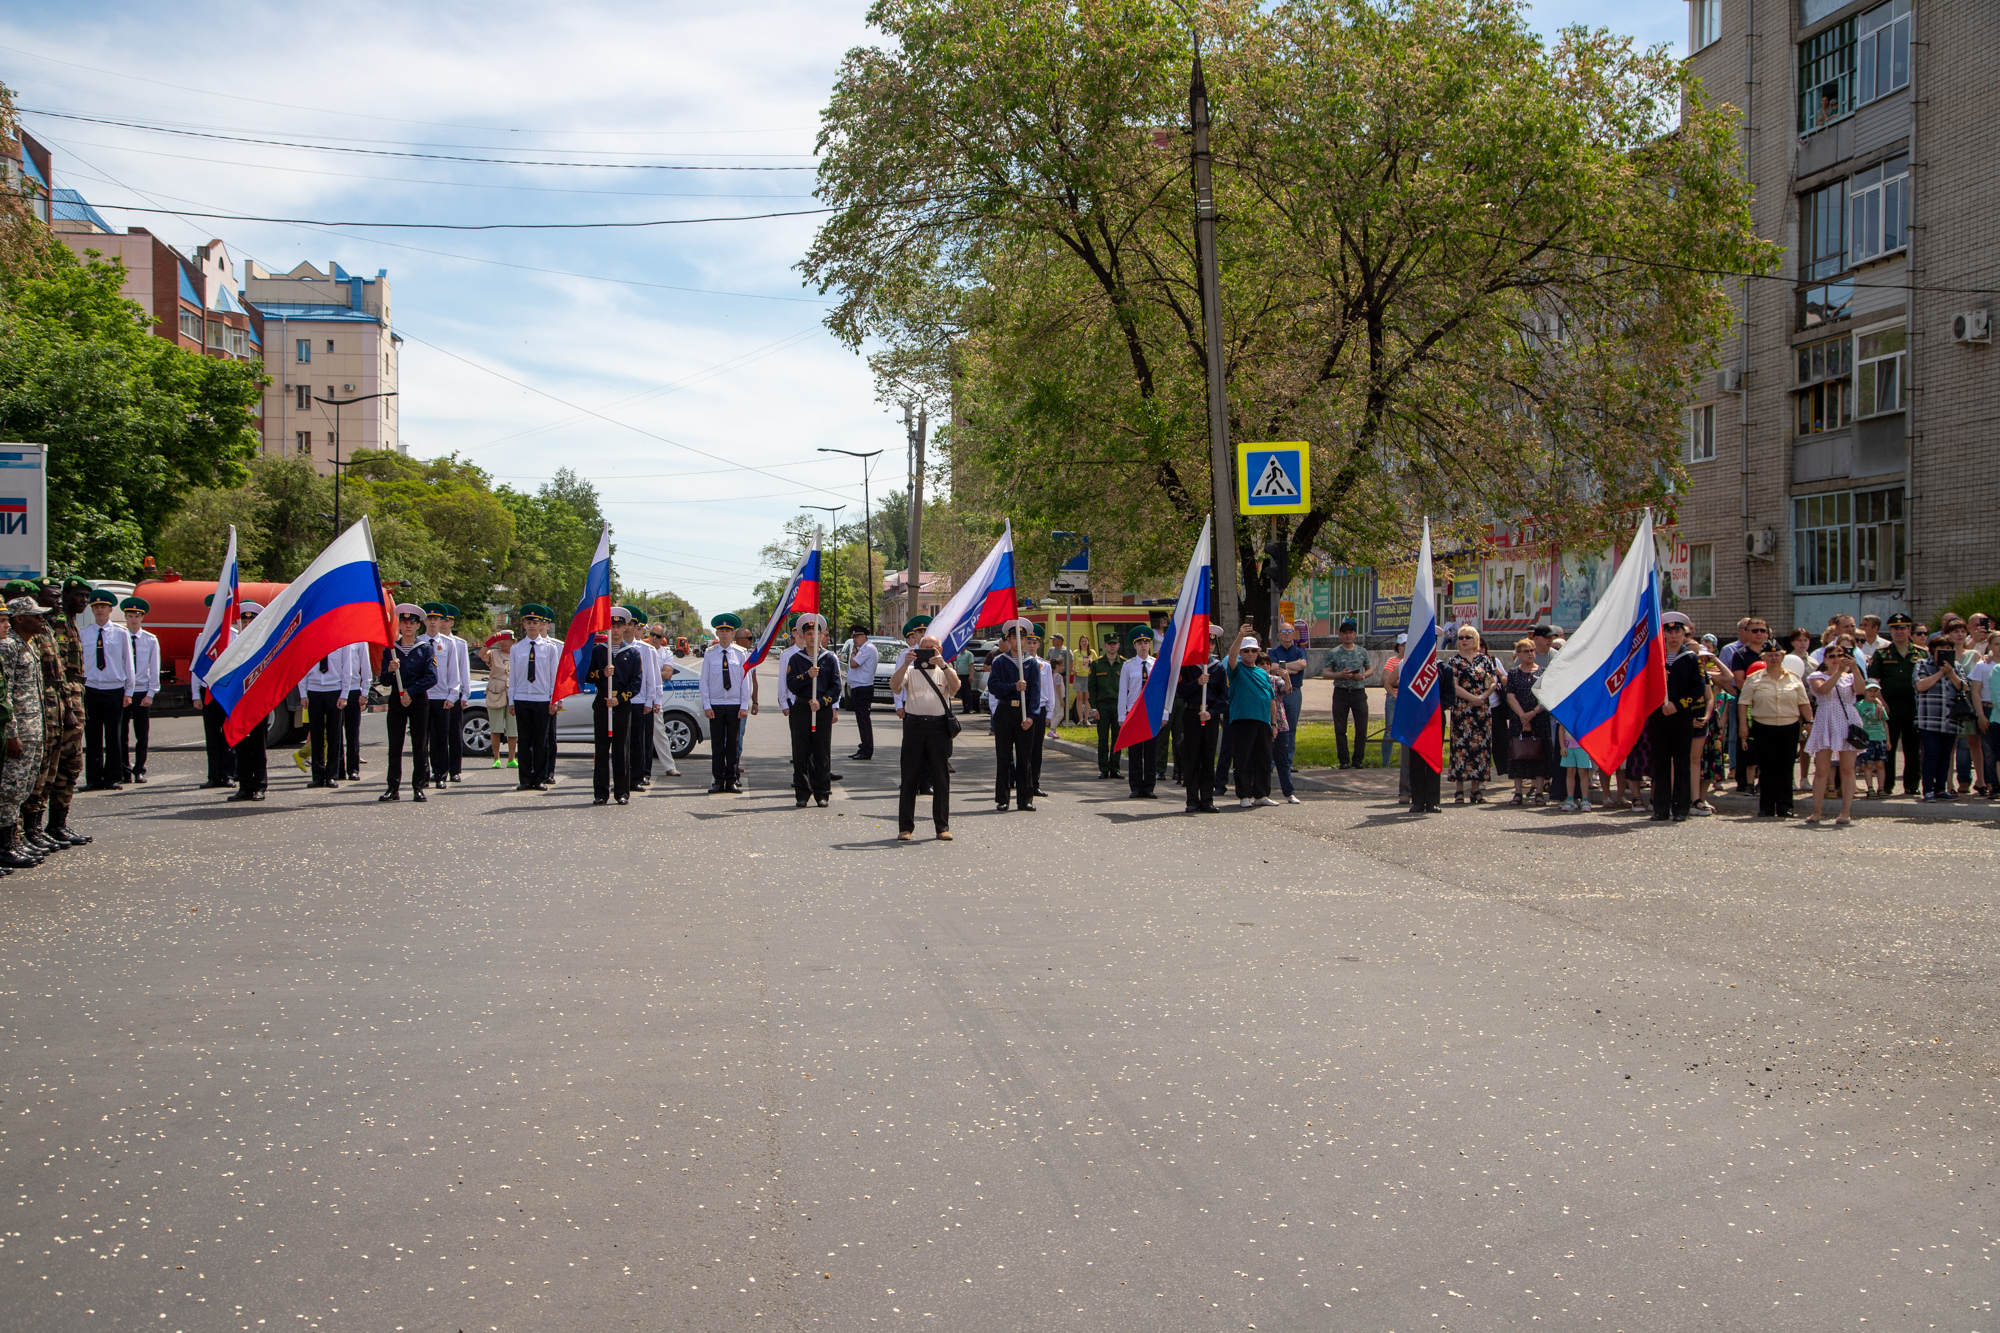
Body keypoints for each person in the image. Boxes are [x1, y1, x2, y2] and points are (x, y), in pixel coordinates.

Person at [891, 633, 957, 841]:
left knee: (941, 778)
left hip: (938, 727)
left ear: (940, 650)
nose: (929, 651)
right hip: (915, 725)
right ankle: (905, 828)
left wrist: (944, 666)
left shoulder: (945, 670)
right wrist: (905, 663)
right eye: (924, 647)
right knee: (909, 778)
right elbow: (895, 686)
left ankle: (942, 827)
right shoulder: (910, 670)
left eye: (933, 648)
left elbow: (955, 689)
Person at [1739, 641, 1812, 817]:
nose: (1774, 658)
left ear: (1783, 656)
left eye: (1777, 655)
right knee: (1767, 768)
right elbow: (1743, 703)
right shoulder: (1755, 678)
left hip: (1789, 726)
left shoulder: (1793, 677)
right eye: (1770, 655)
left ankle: (1785, 806)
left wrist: (1809, 722)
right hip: (1764, 727)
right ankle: (1766, 806)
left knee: (1786, 767)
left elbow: (1804, 702)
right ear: (1764, 657)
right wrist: (1743, 725)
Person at [1643, 611, 1703, 822]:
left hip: (1680, 718)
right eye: (1670, 632)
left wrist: (1678, 706)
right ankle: (1660, 808)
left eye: (1678, 631)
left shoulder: (1691, 658)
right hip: (1659, 719)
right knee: (1660, 765)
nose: (1674, 636)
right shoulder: (1655, 658)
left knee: (1681, 765)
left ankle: (1680, 809)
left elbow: (1698, 689)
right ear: (1664, 634)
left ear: (1684, 634)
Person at [0, 599, 44, 869]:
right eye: (34, 616)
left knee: (22, 788)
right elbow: (4, 694)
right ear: (19, 619)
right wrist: (11, 733)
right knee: (9, 790)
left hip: (33, 727)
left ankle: (13, 841)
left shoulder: (28, 643)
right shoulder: (8, 647)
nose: (41, 620)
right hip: (18, 730)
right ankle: (6, 845)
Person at [379, 603, 437, 802]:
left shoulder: (425, 649)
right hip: (397, 699)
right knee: (395, 744)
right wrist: (389, 669)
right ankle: (392, 788)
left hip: (417, 698)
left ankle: (418, 786)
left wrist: (410, 692)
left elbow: (432, 677)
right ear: (400, 626)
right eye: (404, 622)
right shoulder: (391, 650)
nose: (408, 626)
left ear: (417, 626)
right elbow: (384, 681)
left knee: (419, 744)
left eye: (411, 623)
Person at [781, 613, 840, 808]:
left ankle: (822, 792)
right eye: (808, 634)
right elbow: (791, 684)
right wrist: (807, 675)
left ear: (822, 635)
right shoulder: (796, 659)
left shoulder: (829, 659)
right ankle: (802, 793)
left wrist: (823, 702)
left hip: (820, 709)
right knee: (801, 752)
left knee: (822, 752)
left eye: (816, 633)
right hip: (802, 708)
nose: (812, 638)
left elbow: (836, 687)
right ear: (802, 636)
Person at [1805, 639, 1866, 825]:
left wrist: (1854, 669)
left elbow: (1861, 690)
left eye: (1841, 655)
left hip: (1847, 719)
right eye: (1832, 656)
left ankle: (1846, 812)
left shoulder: (1850, 676)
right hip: (1826, 719)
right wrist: (1839, 672)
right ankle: (1817, 811)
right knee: (1822, 769)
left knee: (1847, 768)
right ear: (1825, 658)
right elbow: (1823, 690)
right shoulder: (1817, 675)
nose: (1837, 659)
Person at [77, 588, 132, 792]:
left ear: (110, 610)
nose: (100, 610)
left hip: (114, 688)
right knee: (92, 735)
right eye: (96, 607)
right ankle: (93, 778)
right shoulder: (84, 634)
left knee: (113, 735)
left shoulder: (120, 633)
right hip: (91, 688)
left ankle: (113, 777)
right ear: (92, 610)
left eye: (103, 607)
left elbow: (128, 663)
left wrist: (129, 691)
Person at [1870, 612, 1926, 796]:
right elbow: (1873, 681)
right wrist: (1881, 702)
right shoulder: (1881, 653)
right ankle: (1886, 786)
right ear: (1890, 631)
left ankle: (1911, 785)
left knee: (1912, 747)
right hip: (1889, 706)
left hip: (1914, 706)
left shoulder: (1922, 653)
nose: (1899, 632)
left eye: (1902, 628)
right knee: (1889, 746)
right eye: (1895, 628)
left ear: (1910, 630)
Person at [987, 619, 1040, 811]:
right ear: (1008, 640)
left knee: (1025, 757)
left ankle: (1025, 799)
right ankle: (1003, 798)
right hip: (1005, 711)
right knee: (1004, 756)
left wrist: (1032, 716)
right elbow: (993, 686)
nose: (1019, 641)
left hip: (1024, 713)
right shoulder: (1000, 661)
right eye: (1014, 638)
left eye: (1023, 637)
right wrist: (1013, 687)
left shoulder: (1032, 663)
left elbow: (1036, 692)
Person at [508, 606, 561, 791]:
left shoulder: (550, 648)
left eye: (535, 623)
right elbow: (513, 677)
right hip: (522, 697)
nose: (532, 626)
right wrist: (511, 701)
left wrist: (554, 700)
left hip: (541, 699)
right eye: (528, 623)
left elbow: (554, 676)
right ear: (523, 625)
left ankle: (539, 778)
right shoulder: (517, 648)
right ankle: (524, 779)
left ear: (541, 625)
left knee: (541, 741)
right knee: (524, 741)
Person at [1225, 624, 1278, 807]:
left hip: (1263, 721)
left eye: (1253, 651)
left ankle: (1261, 794)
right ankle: (1244, 795)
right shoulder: (1237, 670)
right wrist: (1240, 636)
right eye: (1246, 651)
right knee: (1243, 758)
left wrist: (1274, 723)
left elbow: (1271, 698)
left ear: (1258, 652)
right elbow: (1231, 658)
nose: (1249, 654)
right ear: (1241, 652)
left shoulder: (1263, 673)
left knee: (1263, 758)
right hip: (1243, 719)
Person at [297, 640, 362, 788]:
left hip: (334, 689)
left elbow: (347, 669)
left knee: (334, 736)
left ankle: (331, 775)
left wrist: (344, 694)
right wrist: (303, 693)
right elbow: (302, 666)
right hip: (314, 689)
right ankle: (317, 776)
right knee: (316, 735)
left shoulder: (342, 641)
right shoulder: (310, 639)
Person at [698, 612, 750, 793]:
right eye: (721, 630)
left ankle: (732, 779)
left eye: (728, 630)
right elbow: (703, 682)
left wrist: (744, 705)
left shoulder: (741, 654)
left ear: (734, 632)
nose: (725, 634)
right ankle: (718, 780)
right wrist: (707, 705)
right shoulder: (710, 654)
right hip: (716, 704)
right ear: (717, 633)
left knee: (733, 744)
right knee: (718, 745)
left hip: (735, 704)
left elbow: (746, 681)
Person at [1446, 626, 1498, 804]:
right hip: (1462, 709)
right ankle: (1459, 789)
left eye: (1468, 637)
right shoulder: (1454, 661)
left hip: (1481, 709)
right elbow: (1454, 685)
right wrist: (1472, 698)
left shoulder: (1484, 660)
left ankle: (1476, 789)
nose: (1464, 640)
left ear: (1475, 639)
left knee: (1480, 748)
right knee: (1461, 747)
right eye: (1460, 638)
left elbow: (1492, 682)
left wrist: (1482, 697)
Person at [225, 601, 270, 803]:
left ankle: (259, 785)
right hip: (238, 701)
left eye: (251, 619)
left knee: (258, 745)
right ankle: (244, 785)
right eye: (244, 620)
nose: (247, 623)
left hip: (258, 700)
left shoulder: (264, 643)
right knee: (240, 744)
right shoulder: (232, 643)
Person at [1913, 632, 1964, 801]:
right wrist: (1940, 673)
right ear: (1933, 650)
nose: (1945, 652)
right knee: (1931, 752)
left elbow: (1964, 688)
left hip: (1950, 719)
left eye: (1949, 649)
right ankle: (1928, 789)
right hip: (1928, 718)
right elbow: (1920, 685)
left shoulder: (1956, 667)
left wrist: (1950, 673)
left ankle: (1941, 789)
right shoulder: (1922, 664)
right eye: (1941, 649)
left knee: (1946, 754)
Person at [1503, 637, 1549, 805]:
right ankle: (1517, 792)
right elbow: (1510, 696)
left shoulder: (1543, 672)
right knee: (1518, 754)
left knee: (1538, 754)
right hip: (1518, 719)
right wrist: (1523, 716)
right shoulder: (1514, 673)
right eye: (1526, 651)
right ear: (1519, 655)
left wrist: (1532, 713)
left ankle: (1538, 792)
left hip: (1539, 718)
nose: (1530, 654)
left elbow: (1546, 696)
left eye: (1532, 650)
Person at [1116, 625, 1160, 798]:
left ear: (1150, 645)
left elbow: (1160, 691)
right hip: (1133, 713)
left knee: (1151, 751)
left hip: (1150, 712)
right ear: (1134, 646)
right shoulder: (1128, 666)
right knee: (1135, 752)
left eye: (1146, 642)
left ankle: (1149, 787)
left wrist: (1163, 713)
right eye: (1139, 642)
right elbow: (1122, 692)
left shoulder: (1155, 665)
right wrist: (1122, 716)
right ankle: (1135, 786)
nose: (1143, 645)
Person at [1320, 620, 1370, 769]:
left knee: (1361, 728)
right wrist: (1341, 675)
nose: (1348, 636)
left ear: (1355, 634)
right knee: (1340, 728)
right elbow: (1325, 673)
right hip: (1341, 693)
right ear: (1340, 635)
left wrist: (1363, 676)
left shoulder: (1362, 651)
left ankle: (1358, 759)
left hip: (1358, 692)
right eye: (1345, 633)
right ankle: (1343, 759)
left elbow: (1370, 669)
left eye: (1351, 633)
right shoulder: (1334, 652)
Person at [421, 604, 459, 793]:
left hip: (441, 696)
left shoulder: (448, 643)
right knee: (422, 739)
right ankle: (423, 773)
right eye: (430, 619)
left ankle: (441, 774)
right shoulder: (418, 642)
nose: (433, 622)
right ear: (424, 621)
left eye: (437, 619)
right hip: (422, 696)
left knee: (441, 739)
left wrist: (453, 694)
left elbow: (453, 671)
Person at [1177, 657, 1223, 814]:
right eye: (1206, 642)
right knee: (1192, 757)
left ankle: (1207, 800)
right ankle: (1192, 800)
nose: (1208, 646)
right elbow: (1181, 691)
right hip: (1191, 713)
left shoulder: (1218, 668)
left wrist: (1211, 713)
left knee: (1208, 758)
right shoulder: (1187, 667)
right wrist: (1197, 682)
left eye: (1211, 643)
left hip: (1209, 716)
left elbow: (1224, 698)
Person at [1086, 631, 1124, 779]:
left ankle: (1115, 768)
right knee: (1103, 738)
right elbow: (1092, 687)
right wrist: (1093, 708)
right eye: (1110, 644)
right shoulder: (1096, 664)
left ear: (1119, 645)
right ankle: (1103, 768)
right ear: (1104, 646)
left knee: (1117, 738)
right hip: (1102, 705)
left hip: (1118, 705)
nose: (1112, 646)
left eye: (1115, 644)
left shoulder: (1124, 664)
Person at [442, 605, 471, 783]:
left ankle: (454, 770)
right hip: (435, 694)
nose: (443, 624)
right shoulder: (427, 642)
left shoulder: (459, 643)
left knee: (453, 734)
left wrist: (465, 694)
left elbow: (464, 670)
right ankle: (437, 768)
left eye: (446, 620)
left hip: (454, 694)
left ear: (452, 622)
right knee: (435, 735)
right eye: (440, 620)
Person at [843, 624, 878, 761]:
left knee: (864, 720)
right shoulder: (863, 648)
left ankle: (867, 748)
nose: (855, 639)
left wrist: (853, 653)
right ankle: (864, 746)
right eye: (853, 637)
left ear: (864, 636)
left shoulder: (867, 648)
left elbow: (853, 664)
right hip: (858, 687)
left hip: (863, 688)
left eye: (857, 636)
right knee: (861, 719)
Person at [1027, 635, 1055, 798]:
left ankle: (1035, 783)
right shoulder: (1021, 664)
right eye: (1029, 643)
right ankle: (1023, 782)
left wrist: (1050, 712)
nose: (1031, 646)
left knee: (1037, 749)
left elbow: (1050, 690)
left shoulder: (1045, 665)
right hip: (1025, 709)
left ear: (1039, 645)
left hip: (1040, 708)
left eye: (1034, 643)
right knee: (1025, 748)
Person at [485, 627, 518, 770]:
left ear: (512, 641)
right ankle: (496, 758)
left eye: (507, 640)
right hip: (496, 690)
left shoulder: (517, 654)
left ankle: (512, 758)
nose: (504, 643)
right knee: (496, 727)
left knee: (513, 728)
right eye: (501, 640)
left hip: (512, 690)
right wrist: (491, 640)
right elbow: (482, 654)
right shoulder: (493, 653)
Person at [1855, 677, 1889, 796]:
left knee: (1880, 764)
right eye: (1870, 690)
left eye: (1875, 691)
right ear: (1864, 691)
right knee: (1868, 765)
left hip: (1879, 737)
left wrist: (1888, 740)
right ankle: (1870, 788)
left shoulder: (1879, 706)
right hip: (1866, 738)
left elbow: (1884, 722)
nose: (1872, 693)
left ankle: (1881, 787)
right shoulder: (1859, 705)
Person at [1556, 720, 1595, 811]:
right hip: (1569, 746)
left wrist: (1590, 747)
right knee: (1570, 772)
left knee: (1583, 772)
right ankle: (1570, 800)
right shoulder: (1566, 709)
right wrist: (1562, 746)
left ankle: (1585, 800)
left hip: (1583, 746)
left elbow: (1590, 728)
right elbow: (1561, 728)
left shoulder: (1585, 711)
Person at [1380, 634, 1403, 769]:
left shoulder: (1412, 660)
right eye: (1402, 645)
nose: (1405, 648)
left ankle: (1405, 762)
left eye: (1407, 645)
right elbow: (1385, 680)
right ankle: (1385, 762)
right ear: (1398, 647)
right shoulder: (1392, 661)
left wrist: (1395, 681)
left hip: (1408, 699)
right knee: (1389, 729)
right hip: (1393, 697)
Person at [1046, 633, 1073, 726]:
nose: (1052, 641)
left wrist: (1068, 674)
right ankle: (1051, 717)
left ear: (1060, 640)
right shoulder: (1051, 650)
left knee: (1061, 695)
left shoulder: (1066, 650)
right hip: (1052, 675)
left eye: (1054, 639)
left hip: (1062, 675)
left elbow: (1070, 662)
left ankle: (1060, 720)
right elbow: (1047, 660)